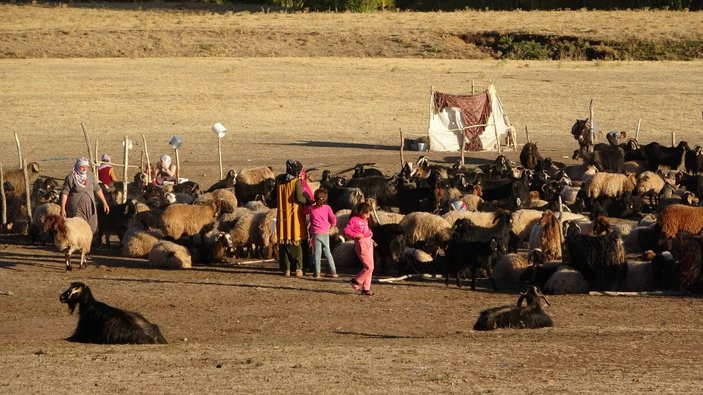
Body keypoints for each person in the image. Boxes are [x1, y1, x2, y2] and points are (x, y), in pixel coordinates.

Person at [275, 159, 311, 277]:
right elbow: (300, 198)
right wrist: (309, 200)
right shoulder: (296, 181)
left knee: (284, 239)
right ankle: (299, 268)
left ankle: (286, 269)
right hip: (294, 214)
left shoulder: (279, 180)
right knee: (296, 238)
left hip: (282, 214)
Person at [60, 157, 110, 234]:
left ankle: (88, 243)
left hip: (90, 207)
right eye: (82, 167)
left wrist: (105, 203)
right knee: (79, 227)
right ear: (77, 166)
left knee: (92, 226)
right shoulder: (71, 177)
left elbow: (97, 189)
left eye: (86, 167)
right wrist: (63, 209)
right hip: (77, 207)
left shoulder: (90, 176)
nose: (84, 169)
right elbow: (65, 193)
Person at [344, 202, 375, 296]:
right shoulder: (354, 220)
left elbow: (366, 230)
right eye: (367, 213)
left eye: (370, 214)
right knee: (369, 267)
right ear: (361, 212)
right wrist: (356, 235)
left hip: (369, 242)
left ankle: (366, 288)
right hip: (361, 244)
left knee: (369, 268)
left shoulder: (365, 220)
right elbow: (346, 230)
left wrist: (370, 237)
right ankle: (356, 281)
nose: (369, 216)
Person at [306, 188, 338, 279]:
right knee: (327, 251)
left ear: (315, 198)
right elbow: (333, 218)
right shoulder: (327, 208)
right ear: (325, 198)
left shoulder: (311, 209)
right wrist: (332, 226)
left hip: (316, 233)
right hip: (325, 232)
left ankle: (317, 273)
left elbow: (304, 211)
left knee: (317, 252)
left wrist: (310, 203)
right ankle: (333, 271)